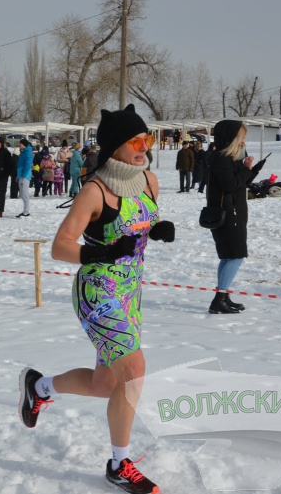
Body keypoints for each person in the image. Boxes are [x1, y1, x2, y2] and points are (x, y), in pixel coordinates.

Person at [18, 105, 172, 494]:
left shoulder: (150, 181)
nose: (144, 147)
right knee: (133, 370)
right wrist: (100, 252)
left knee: (107, 384)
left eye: (147, 139)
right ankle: (119, 465)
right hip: (97, 291)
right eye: (135, 141)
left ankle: (39, 388)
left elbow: (140, 224)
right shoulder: (95, 191)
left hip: (130, 293)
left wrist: (158, 230)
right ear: (114, 146)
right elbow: (60, 246)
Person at [205, 120, 265, 315]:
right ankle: (219, 299)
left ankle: (223, 296)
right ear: (231, 138)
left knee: (228, 256)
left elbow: (240, 184)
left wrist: (251, 169)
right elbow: (231, 185)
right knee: (237, 256)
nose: (243, 142)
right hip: (229, 215)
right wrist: (246, 170)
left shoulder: (228, 159)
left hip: (233, 213)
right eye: (241, 138)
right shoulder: (222, 158)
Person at [16, 139, 33, 217]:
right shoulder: (23, 152)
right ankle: (25, 211)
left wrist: (23, 175)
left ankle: (26, 212)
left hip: (25, 176)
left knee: (25, 194)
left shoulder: (28, 153)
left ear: (24, 144)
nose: (19, 145)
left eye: (21, 144)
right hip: (21, 175)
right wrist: (18, 176)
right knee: (22, 194)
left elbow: (27, 165)